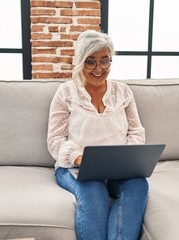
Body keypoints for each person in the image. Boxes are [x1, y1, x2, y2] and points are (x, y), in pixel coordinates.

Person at [47, 30, 148, 240]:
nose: (98, 69)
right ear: (80, 61)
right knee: (94, 192)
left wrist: (127, 159)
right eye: (90, 62)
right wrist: (78, 158)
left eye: (105, 61)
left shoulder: (123, 92)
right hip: (75, 167)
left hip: (117, 169)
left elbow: (136, 131)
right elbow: (55, 140)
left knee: (138, 185)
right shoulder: (66, 92)